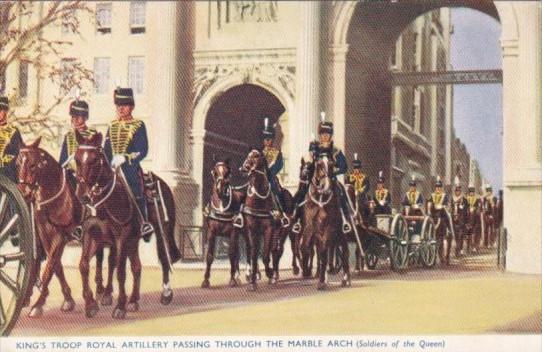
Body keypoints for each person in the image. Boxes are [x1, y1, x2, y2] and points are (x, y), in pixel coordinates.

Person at [104, 87, 154, 241]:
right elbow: (106, 148)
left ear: (131, 106)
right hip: (112, 167)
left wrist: (125, 158)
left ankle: (143, 223)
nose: (121, 108)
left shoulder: (138, 125)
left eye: (124, 104)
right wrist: (109, 160)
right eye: (118, 105)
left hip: (129, 167)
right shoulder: (112, 125)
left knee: (134, 187)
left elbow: (142, 150)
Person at [314, 112, 350, 233]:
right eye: (323, 134)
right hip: (316, 179)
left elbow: (344, 167)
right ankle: (297, 220)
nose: (325, 136)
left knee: (341, 192)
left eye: (327, 134)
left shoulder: (336, 150)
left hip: (331, 179)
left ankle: (345, 220)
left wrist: (333, 172)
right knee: (303, 191)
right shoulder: (314, 149)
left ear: (330, 135)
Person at [59, 98, 98, 186]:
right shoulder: (68, 136)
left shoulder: (92, 134)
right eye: (73, 116)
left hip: (88, 175)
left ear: (85, 117)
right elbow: (62, 160)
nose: (75, 119)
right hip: (71, 176)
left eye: (78, 116)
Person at [261, 118, 288, 227]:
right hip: (259, 176)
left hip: (270, 177)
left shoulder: (277, 153)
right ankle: (240, 213)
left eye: (269, 139)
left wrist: (270, 173)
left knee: (276, 190)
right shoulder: (259, 152)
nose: (267, 141)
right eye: (266, 139)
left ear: (272, 140)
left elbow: (279, 165)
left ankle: (282, 212)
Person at [0, 95, 22, 182]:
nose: (0, 113)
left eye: (2, 110)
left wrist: (3, 161)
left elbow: (16, 154)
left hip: (7, 173)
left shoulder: (14, 131)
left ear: (6, 112)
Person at [346, 153, 370, 222]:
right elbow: (347, 186)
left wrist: (360, 191)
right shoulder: (349, 177)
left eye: (357, 168)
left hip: (361, 197)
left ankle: (363, 220)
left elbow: (367, 186)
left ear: (360, 168)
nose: (356, 170)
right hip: (351, 196)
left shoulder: (364, 177)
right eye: (355, 168)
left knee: (363, 206)